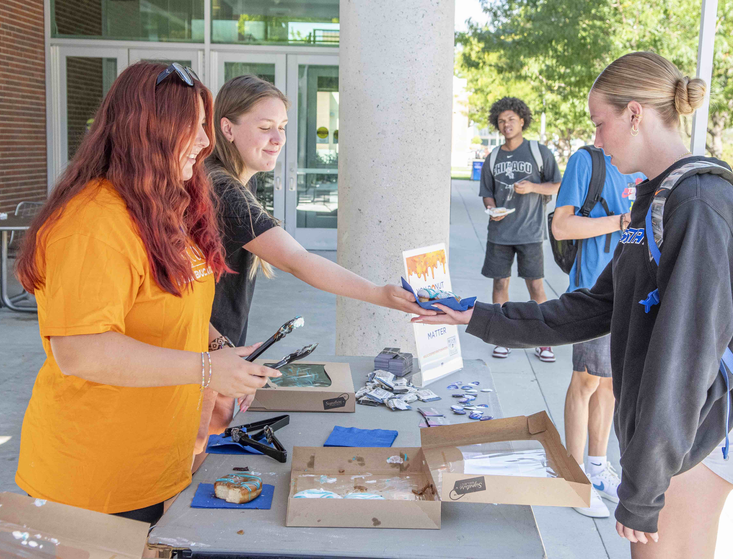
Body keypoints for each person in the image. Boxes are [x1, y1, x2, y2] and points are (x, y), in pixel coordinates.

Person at [413, 52, 733, 559]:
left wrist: (641, 492)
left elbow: (684, 358)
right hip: (677, 432)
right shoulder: (655, 198)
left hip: (700, 434)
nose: (596, 140)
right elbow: (588, 309)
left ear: (635, 113)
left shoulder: (701, 204)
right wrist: (476, 314)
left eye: (601, 124)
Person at [14, 62, 281, 524]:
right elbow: (80, 351)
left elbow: (172, 308)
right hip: (97, 478)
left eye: (204, 124)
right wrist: (207, 369)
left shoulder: (159, 208)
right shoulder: (92, 221)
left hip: (160, 461)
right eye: (191, 126)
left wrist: (220, 350)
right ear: (146, 129)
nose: (204, 141)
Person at [196, 75, 434, 441]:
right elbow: (297, 259)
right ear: (227, 128)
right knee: (193, 456)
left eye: (283, 127)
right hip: (200, 343)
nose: (278, 139)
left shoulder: (240, 178)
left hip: (214, 342)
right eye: (265, 128)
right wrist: (378, 293)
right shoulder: (224, 190)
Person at [552, 146, 641, 518]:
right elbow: (562, 225)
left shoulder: (643, 167)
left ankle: (597, 467)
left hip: (633, 290)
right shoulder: (586, 161)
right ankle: (573, 480)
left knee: (610, 384)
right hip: (594, 292)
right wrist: (621, 221)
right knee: (586, 381)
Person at [479, 96, 562, 361]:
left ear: (522, 121)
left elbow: (557, 185)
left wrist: (533, 187)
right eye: (502, 121)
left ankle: (544, 339)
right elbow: (487, 193)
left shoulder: (539, 152)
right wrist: (492, 209)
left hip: (530, 232)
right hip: (500, 234)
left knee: (535, 286)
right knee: (500, 282)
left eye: (511, 120)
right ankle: (501, 336)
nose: (506, 125)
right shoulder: (492, 157)